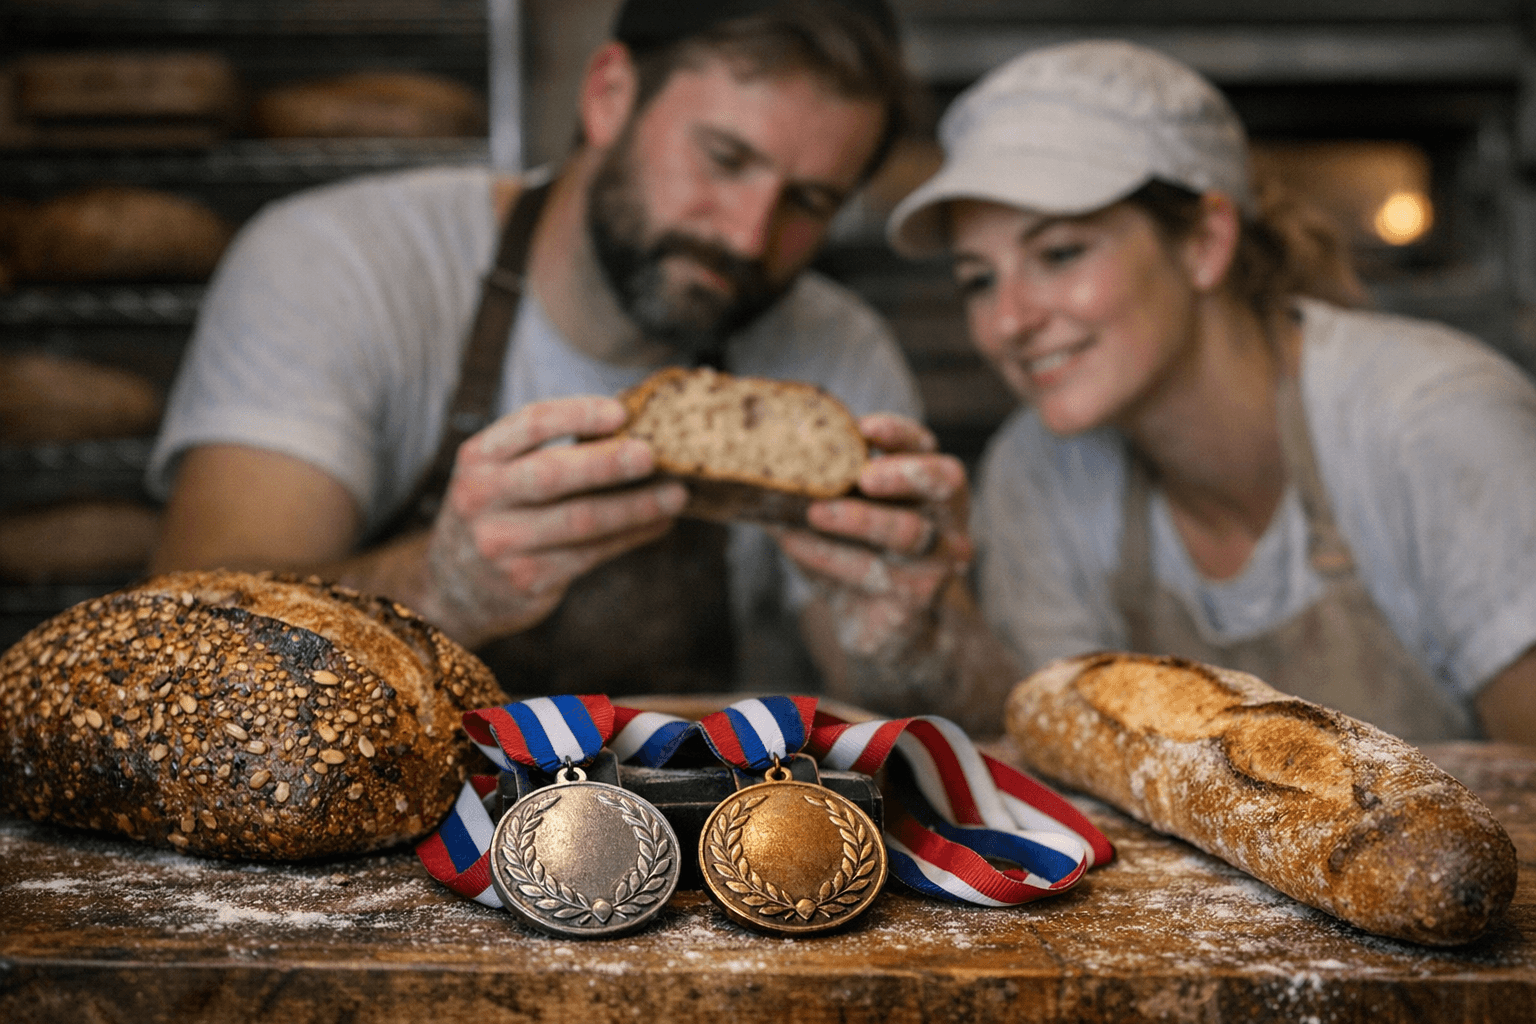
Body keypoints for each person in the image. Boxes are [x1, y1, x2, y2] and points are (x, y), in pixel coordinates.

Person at [146, 0, 1018, 732]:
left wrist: (914, 636)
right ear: (608, 96)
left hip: (703, 855)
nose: (749, 234)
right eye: (724, 158)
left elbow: (952, 720)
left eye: (809, 202)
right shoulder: (340, 262)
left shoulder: (839, 351)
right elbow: (188, 641)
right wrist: (443, 588)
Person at [884, 39, 1536, 744]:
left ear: (1205, 242)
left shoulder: (1432, 420)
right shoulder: (1033, 471)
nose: (1009, 321)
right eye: (978, 279)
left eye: (1059, 253)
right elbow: (1072, 772)